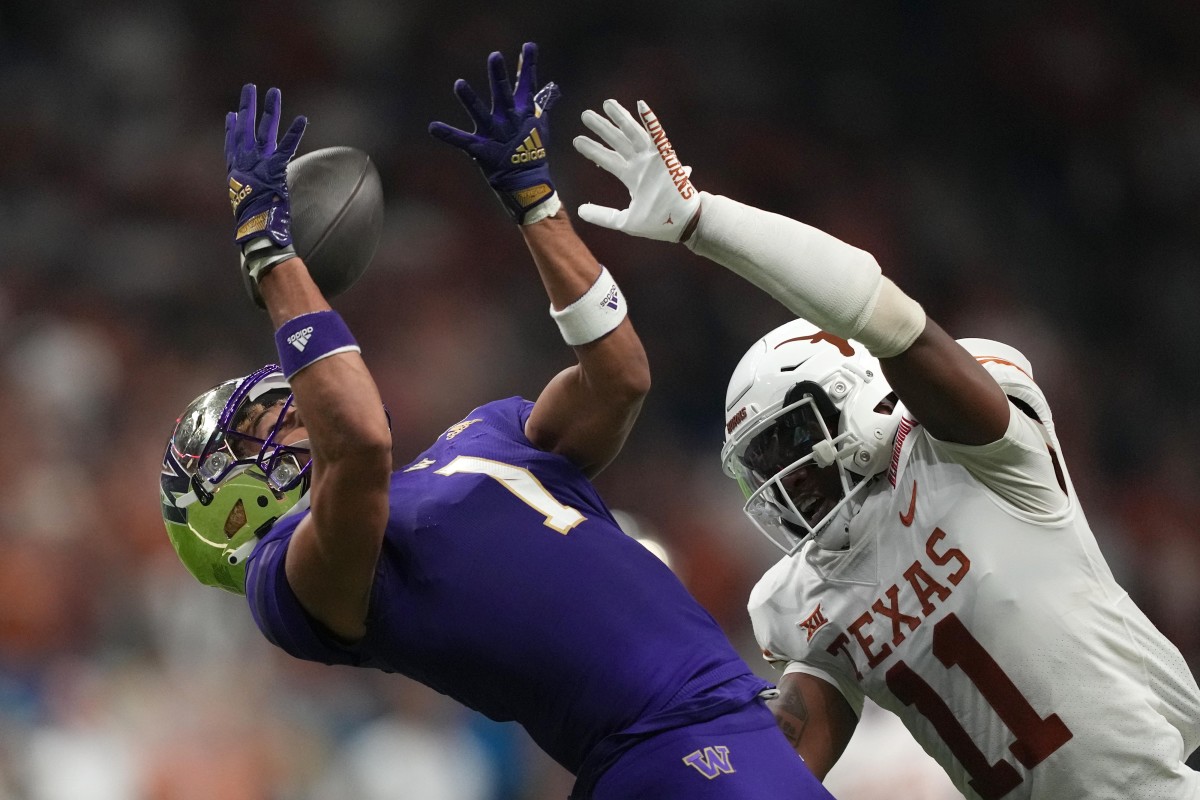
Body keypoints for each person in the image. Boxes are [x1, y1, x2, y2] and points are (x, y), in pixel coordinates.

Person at [158, 45, 836, 800]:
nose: (283, 414)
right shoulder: (284, 580)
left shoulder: (485, 433)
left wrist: (534, 198)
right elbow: (357, 444)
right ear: (229, 507)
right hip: (660, 751)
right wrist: (268, 250)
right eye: (257, 428)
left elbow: (618, 377)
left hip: (729, 722)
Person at [571, 97, 1200, 799]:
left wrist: (705, 221)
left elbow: (895, 325)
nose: (781, 475)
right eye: (760, 459)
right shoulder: (799, 594)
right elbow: (783, 762)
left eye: (789, 438)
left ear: (855, 394)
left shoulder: (973, 456)